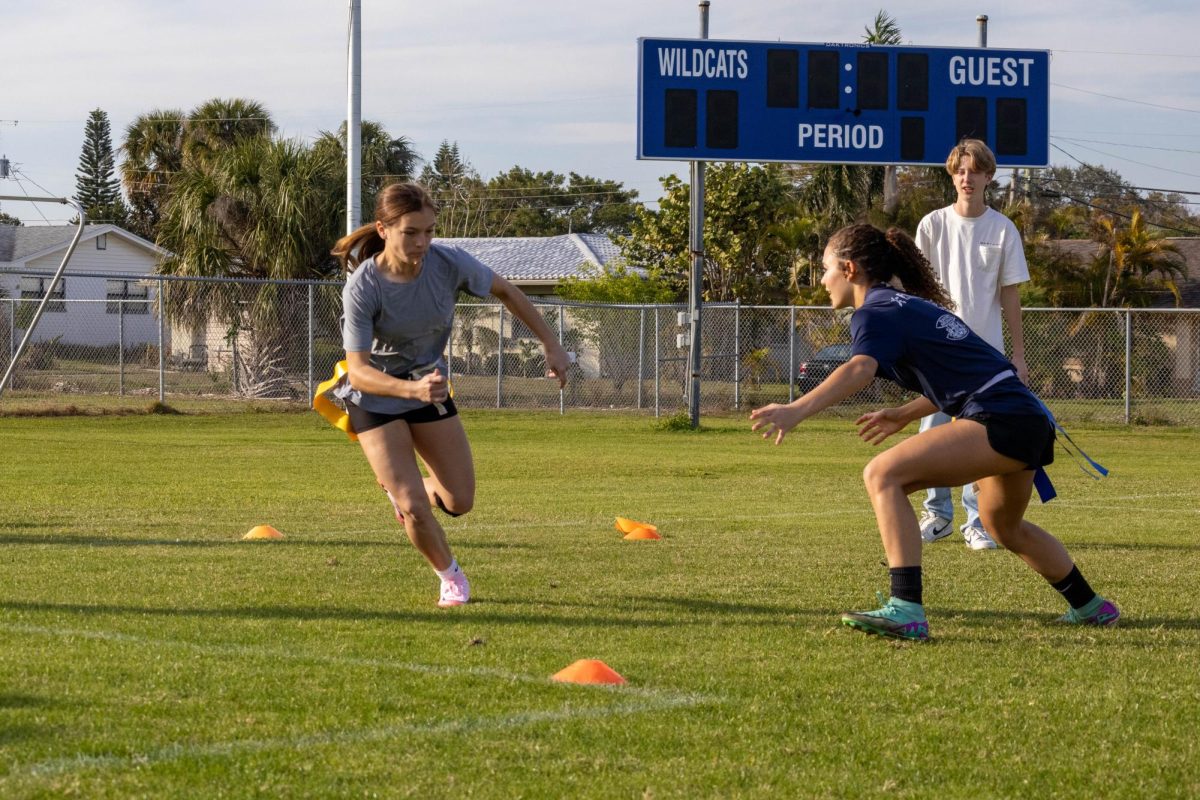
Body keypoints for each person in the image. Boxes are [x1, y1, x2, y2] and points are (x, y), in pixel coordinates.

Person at [750, 223, 1118, 641]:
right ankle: (1092, 607)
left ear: (849, 269)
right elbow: (974, 373)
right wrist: (905, 414)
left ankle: (905, 608)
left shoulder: (874, 310)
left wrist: (796, 409)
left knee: (882, 474)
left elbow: (859, 369)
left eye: (824, 268)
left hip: (1000, 415)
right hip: (1023, 416)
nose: (821, 280)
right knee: (1003, 527)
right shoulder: (903, 305)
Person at [330, 182, 571, 608]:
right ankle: (450, 576)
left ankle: (404, 487)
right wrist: (411, 389)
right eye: (411, 233)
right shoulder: (363, 287)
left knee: (459, 501)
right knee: (415, 507)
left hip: (429, 389)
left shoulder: (447, 263)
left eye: (428, 231)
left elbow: (508, 292)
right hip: (375, 398)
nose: (422, 242)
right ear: (384, 229)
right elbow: (360, 371)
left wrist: (551, 344)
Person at [913, 139, 1029, 551]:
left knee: (979, 441)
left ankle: (976, 522)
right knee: (931, 436)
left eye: (974, 171)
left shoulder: (1003, 228)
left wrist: (1017, 356)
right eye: (960, 171)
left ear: (988, 177)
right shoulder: (931, 225)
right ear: (952, 175)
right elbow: (917, 291)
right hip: (938, 355)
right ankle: (938, 515)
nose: (967, 178)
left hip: (987, 358)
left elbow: (1010, 294)